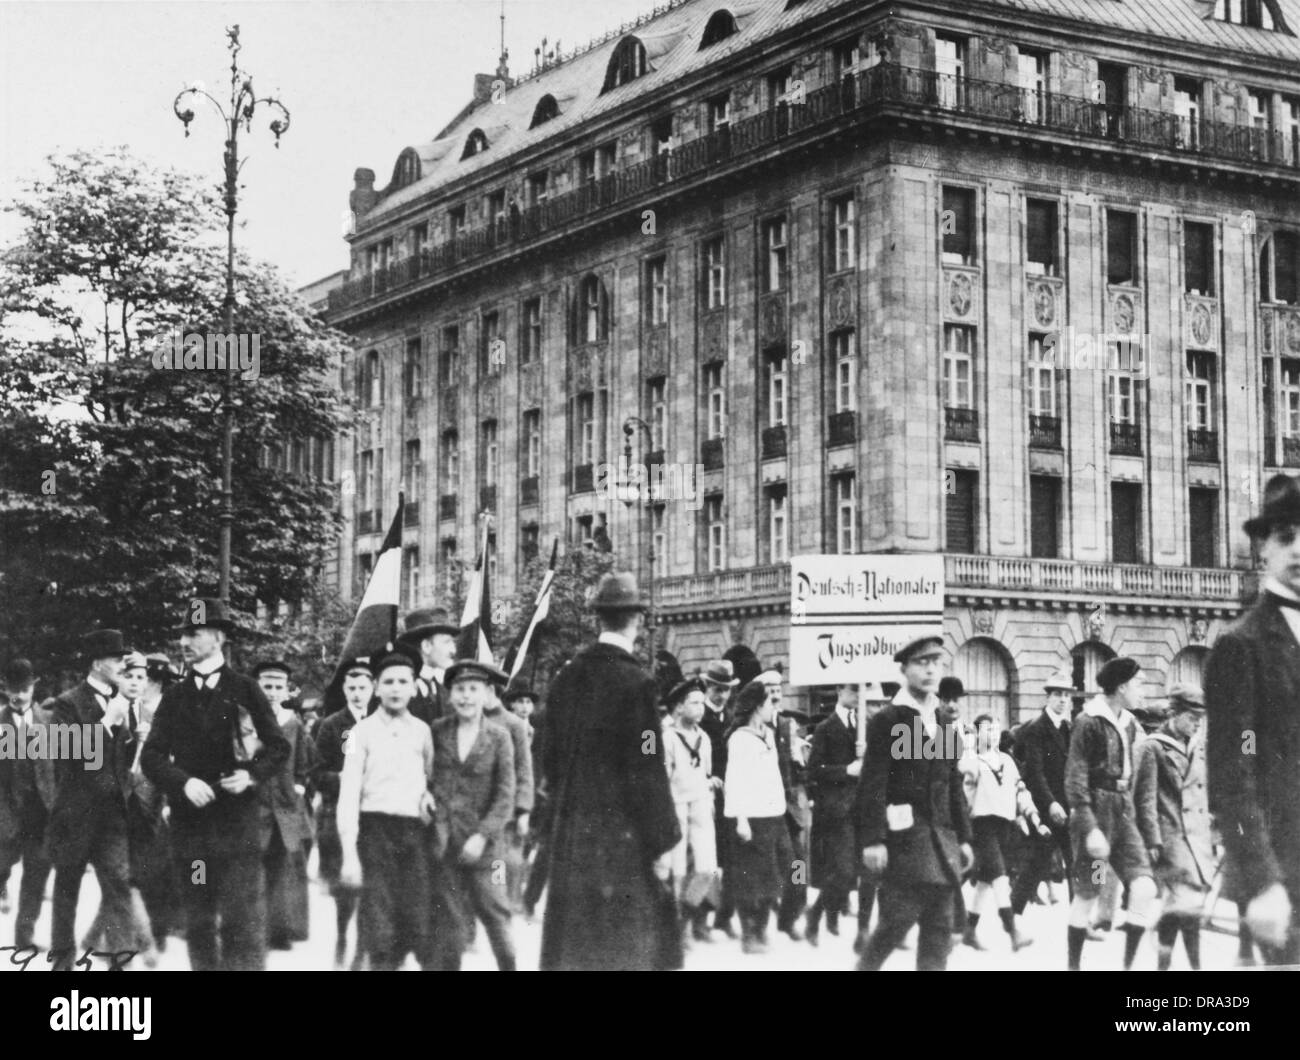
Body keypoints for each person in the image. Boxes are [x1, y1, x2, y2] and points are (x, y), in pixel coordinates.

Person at [539, 572, 681, 971]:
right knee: (626, 946)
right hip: (623, 840)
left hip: (573, 837)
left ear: (598, 619)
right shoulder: (637, 684)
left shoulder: (566, 678)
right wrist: (662, 840)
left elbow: (548, 758)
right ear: (636, 620)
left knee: (575, 948)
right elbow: (648, 763)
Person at [141, 598, 290, 971]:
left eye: (194, 633)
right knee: (199, 918)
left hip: (236, 832)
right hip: (192, 835)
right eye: (183, 635)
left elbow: (278, 746)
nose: (185, 642)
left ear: (219, 637)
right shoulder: (174, 696)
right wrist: (183, 782)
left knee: (242, 919)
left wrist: (252, 775)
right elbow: (152, 756)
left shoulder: (246, 689)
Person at [1207, 475, 1300, 965]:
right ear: (1263, 546)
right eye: (1286, 536)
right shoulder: (1240, 646)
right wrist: (1262, 880)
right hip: (1286, 878)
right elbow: (1233, 773)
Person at [854, 636, 974, 971]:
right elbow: (873, 785)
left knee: (939, 934)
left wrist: (964, 837)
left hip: (942, 844)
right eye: (922, 663)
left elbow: (953, 785)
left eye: (936, 662)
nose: (930, 669)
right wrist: (873, 840)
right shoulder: (889, 720)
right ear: (905, 669)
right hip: (904, 842)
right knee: (894, 925)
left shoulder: (946, 723)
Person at [337, 644, 436, 971]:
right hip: (374, 833)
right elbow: (349, 791)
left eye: (403, 682)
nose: (396, 689)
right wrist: (349, 852)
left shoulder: (423, 732)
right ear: (376, 687)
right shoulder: (358, 733)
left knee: (414, 922)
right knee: (378, 921)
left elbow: (431, 780)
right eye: (388, 682)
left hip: (413, 835)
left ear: (413, 686)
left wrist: (427, 798)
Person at [43, 628, 136, 969]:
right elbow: (65, 753)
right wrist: (106, 723)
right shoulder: (68, 703)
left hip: (111, 815)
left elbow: (123, 759)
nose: (121, 667)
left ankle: (120, 961)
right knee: (67, 894)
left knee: (119, 888)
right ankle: (62, 964)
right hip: (76, 815)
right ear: (97, 663)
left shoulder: (121, 701)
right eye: (116, 660)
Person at [1063, 656, 1159, 971]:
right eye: (1139, 683)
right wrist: (1089, 828)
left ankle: (1127, 967)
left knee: (1144, 887)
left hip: (1123, 813)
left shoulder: (1130, 723)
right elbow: (1075, 779)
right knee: (1089, 893)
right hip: (1096, 814)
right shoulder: (1088, 721)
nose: (1143, 689)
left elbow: (1139, 778)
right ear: (1121, 687)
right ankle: (1073, 967)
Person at [428, 659, 517, 971]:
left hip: (488, 850)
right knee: (448, 926)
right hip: (445, 844)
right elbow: (427, 778)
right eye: (459, 690)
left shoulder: (499, 736)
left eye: (473, 690)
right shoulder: (438, 731)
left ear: (486, 693)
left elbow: (506, 793)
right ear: (451, 695)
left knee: (496, 914)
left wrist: (482, 836)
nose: (466, 697)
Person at [81, 652, 161, 965]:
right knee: (120, 879)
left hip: (142, 812)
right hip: (109, 810)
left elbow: (158, 765)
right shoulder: (105, 710)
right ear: (119, 679)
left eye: (141, 677)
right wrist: (128, 742)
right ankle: (138, 945)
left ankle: (91, 938)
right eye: (129, 676)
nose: (135, 682)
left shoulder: (151, 717)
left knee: (125, 880)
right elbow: (95, 761)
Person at [1134, 683, 1214, 971]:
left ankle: (1166, 962)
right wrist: (1152, 840)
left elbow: (1204, 792)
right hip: (1170, 838)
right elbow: (1143, 799)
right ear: (1174, 714)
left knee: (1182, 907)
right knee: (1187, 905)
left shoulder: (1198, 746)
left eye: (1200, 719)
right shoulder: (1152, 747)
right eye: (1192, 718)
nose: (1196, 724)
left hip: (1196, 838)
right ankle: (1193, 966)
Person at [959, 714, 1047, 952]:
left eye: (996, 729)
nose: (993, 734)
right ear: (977, 733)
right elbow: (963, 786)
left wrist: (1033, 816)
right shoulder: (971, 760)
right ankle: (1012, 931)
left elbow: (1020, 790)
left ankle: (968, 929)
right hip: (982, 825)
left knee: (987, 881)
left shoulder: (1007, 760)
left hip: (1005, 827)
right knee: (999, 876)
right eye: (987, 730)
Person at [313, 658, 374, 969]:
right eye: (352, 688)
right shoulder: (332, 725)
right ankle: (340, 936)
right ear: (345, 690)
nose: (358, 693)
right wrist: (343, 779)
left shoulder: (379, 723)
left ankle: (363, 946)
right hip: (338, 811)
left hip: (372, 813)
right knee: (345, 883)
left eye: (363, 687)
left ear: (372, 689)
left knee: (370, 884)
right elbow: (316, 771)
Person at [724, 680, 791, 954]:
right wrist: (740, 819)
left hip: (774, 815)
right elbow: (735, 780)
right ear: (755, 707)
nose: (772, 706)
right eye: (767, 702)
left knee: (780, 872)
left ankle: (762, 928)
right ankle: (749, 933)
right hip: (751, 818)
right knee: (750, 879)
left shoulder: (769, 734)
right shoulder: (740, 739)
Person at [254, 661, 315, 950]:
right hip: (256, 804)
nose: (272, 692)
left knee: (283, 866)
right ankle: (256, 928)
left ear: (287, 690)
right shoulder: (248, 720)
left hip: (286, 805)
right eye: (267, 686)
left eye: (278, 687)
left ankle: (279, 930)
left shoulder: (294, 723)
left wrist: (299, 787)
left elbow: (303, 762)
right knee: (255, 865)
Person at [658, 678, 720, 946]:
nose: (700, 707)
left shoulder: (704, 738)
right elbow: (663, 776)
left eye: (701, 702)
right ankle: (677, 929)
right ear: (679, 708)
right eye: (693, 703)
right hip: (676, 806)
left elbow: (703, 772)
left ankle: (687, 913)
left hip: (701, 805)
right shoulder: (666, 737)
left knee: (707, 868)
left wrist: (710, 787)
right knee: (678, 870)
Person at [1010, 669, 1075, 918]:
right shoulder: (1036, 729)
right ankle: (1012, 912)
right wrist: (1050, 804)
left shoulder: (1068, 728)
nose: (1062, 700)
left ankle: (1083, 912)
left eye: (1066, 695)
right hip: (1047, 809)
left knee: (1084, 861)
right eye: (1057, 694)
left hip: (1068, 806)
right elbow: (1035, 774)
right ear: (1048, 697)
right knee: (1037, 864)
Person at [0, 658, 54, 950]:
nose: (18, 695)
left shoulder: (49, 722)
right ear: (5, 688)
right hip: (6, 813)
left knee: (36, 877)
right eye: (12, 689)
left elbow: (59, 768)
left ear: (34, 687)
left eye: (23, 689)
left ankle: (24, 937)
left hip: (41, 816)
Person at [805, 683, 863, 946]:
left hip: (859, 808)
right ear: (840, 691)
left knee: (850, 871)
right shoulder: (825, 728)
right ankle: (816, 916)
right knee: (841, 868)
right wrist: (846, 771)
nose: (858, 696)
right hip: (835, 810)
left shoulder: (864, 726)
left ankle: (830, 916)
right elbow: (815, 770)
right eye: (853, 690)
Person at [484, 676, 534, 914]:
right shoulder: (462, 719)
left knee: (502, 858)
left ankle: (500, 905)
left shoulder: (513, 725)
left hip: (504, 802)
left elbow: (525, 768)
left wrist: (524, 808)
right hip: (472, 801)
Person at [697, 658, 738, 937]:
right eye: (716, 689)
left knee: (733, 860)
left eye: (726, 689)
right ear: (707, 687)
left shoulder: (733, 718)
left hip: (733, 799)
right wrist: (706, 780)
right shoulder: (699, 717)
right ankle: (699, 920)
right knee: (707, 861)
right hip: (707, 798)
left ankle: (724, 917)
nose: (721, 694)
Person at [397, 608, 459, 725]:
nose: (453, 650)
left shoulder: (447, 689)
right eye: (447, 642)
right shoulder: (397, 688)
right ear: (426, 646)